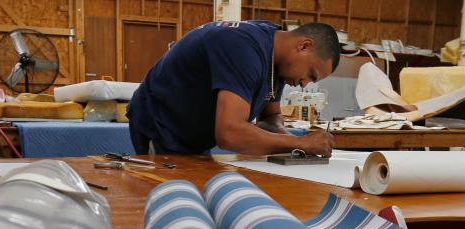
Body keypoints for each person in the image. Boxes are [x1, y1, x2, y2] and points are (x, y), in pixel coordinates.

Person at [127, 21, 339, 157]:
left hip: (194, 133)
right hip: (161, 124)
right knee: (172, 199)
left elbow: (271, 116)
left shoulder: (279, 60)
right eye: (311, 74)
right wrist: (301, 143)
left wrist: (289, 141)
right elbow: (229, 133)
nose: (304, 84)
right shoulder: (244, 49)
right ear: (304, 45)